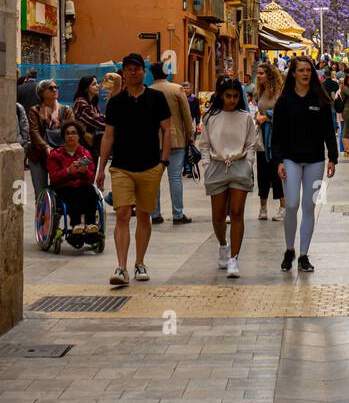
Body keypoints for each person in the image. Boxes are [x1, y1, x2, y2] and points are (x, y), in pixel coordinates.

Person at [96, 53, 171, 289]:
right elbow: (108, 136)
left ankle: (140, 262)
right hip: (121, 167)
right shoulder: (116, 103)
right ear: (123, 73)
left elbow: (167, 130)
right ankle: (121, 267)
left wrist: (163, 162)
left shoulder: (156, 98)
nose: (133, 72)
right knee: (122, 214)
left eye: (136, 68)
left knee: (145, 215)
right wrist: (101, 169)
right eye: (128, 69)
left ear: (143, 71)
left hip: (150, 166)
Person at [271, 56, 338, 273]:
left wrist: (333, 158)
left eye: (308, 70)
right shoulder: (284, 101)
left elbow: (329, 131)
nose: (305, 74)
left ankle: (303, 255)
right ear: (293, 73)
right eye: (301, 70)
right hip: (289, 158)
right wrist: (279, 160)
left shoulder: (320, 99)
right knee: (291, 204)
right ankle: (289, 249)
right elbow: (277, 133)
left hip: (316, 160)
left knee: (309, 207)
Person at [198, 76, 258, 278]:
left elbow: (251, 143)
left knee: (237, 212)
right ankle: (223, 245)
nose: (231, 100)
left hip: (239, 164)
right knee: (218, 215)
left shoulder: (246, 117)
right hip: (216, 165)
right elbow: (204, 144)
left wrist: (248, 164)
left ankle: (234, 259)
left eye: (234, 96)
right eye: (228, 96)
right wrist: (207, 165)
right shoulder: (210, 117)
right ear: (221, 96)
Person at [149, 62, 196, 226]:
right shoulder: (177, 89)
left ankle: (155, 214)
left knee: (154, 178)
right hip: (176, 140)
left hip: (153, 141)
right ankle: (177, 214)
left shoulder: (148, 91)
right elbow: (186, 115)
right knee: (175, 177)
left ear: (152, 75)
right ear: (166, 73)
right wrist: (190, 136)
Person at [47, 119, 99, 230]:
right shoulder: (55, 155)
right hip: (63, 187)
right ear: (63, 136)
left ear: (79, 136)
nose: (70, 136)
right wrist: (68, 171)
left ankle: (91, 224)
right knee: (71, 194)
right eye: (67, 133)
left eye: (73, 133)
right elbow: (53, 177)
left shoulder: (85, 154)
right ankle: (76, 224)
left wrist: (85, 172)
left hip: (82, 185)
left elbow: (90, 178)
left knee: (91, 191)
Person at [28, 79, 72, 200]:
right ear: (42, 93)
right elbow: (34, 132)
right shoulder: (35, 110)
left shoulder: (66, 110)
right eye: (50, 88)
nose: (55, 90)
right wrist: (46, 147)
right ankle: (42, 217)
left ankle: (55, 215)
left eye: (56, 87)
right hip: (39, 155)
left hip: (60, 155)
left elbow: (71, 130)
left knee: (60, 188)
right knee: (41, 192)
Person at [254, 62, 285, 221]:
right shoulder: (260, 91)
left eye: (261, 73)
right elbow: (258, 110)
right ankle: (263, 207)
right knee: (262, 173)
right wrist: (258, 118)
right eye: (257, 73)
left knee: (277, 173)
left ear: (269, 75)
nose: (258, 76)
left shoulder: (279, 92)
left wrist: (266, 117)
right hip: (261, 138)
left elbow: (283, 114)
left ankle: (283, 207)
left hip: (276, 138)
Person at [73, 75, 107, 160]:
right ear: (87, 88)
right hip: (82, 144)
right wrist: (111, 123)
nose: (98, 85)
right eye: (94, 84)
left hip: (92, 143)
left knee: (92, 169)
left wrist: (101, 118)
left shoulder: (93, 103)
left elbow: (100, 118)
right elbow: (96, 122)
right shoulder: (80, 101)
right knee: (84, 171)